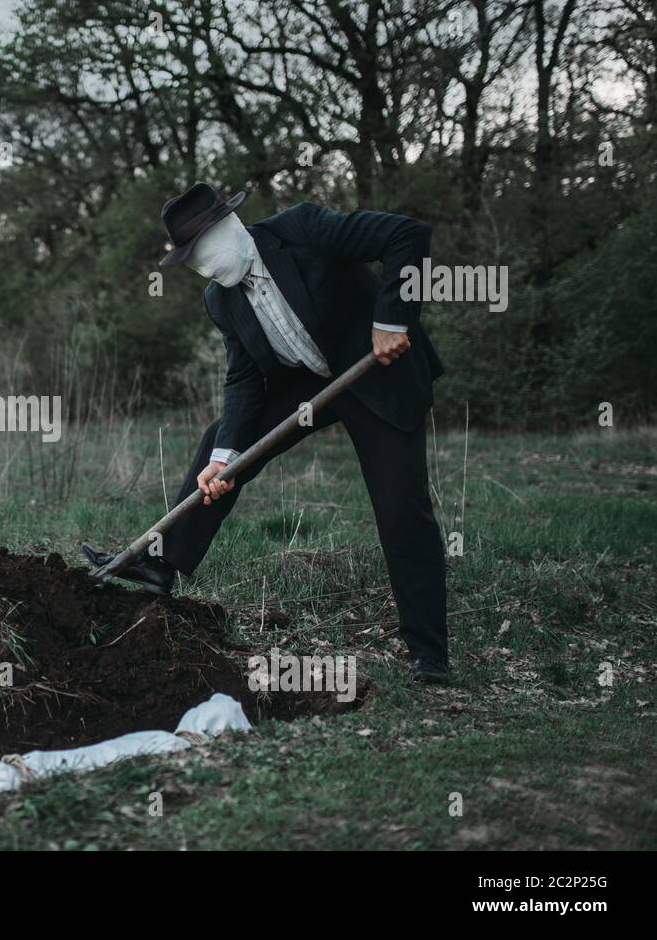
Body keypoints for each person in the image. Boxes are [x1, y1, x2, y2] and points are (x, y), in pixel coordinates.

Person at [83, 183, 450, 683]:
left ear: (229, 228)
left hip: (374, 373)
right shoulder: (221, 300)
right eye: (190, 262)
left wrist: (392, 319)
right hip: (307, 384)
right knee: (220, 439)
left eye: (203, 252)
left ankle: (428, 654)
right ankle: (158, 563)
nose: (203, 269)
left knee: (400, 509)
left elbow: (407, 236)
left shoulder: (302, 230)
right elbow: (243, 378)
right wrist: (226, 457)